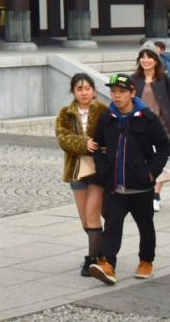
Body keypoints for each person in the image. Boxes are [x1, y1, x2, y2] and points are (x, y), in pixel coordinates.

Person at [86, 73, 169, 286]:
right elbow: (96, 147)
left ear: (132, 92)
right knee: (112, 225)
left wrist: (151, 173)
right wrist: (104, 172)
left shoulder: (147, 118)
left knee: (145, 225)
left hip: (141, 187)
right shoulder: (106, 118)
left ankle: (146, 261)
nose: (116, 96)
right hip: (114, 187)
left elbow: (163, 146)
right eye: (113, 92)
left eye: (121, 92)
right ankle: (108, 264)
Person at [55, 72, 106, 278]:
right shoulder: (65, 113)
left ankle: (92, 259)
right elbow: (63, 138)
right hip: (76, 168)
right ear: (73, 91)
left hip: (98, 169)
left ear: (93, 90)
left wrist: (101, 146)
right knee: (84, 217)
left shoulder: (104, 111)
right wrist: (84, 144)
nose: (84, 93)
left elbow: (112, 136)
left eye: (87, 89)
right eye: (79, 89)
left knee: (93, 214)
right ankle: (100, 252)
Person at [133, 47, 170, 211]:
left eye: (149, 57)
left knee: (158, 160)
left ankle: (155, 195)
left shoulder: (164, 79)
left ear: (156, 60)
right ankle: (148, 193)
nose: (146, 60)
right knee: (143, 162)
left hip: (161, 127)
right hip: (139, 128)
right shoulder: (134, 79)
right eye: (142, 57)